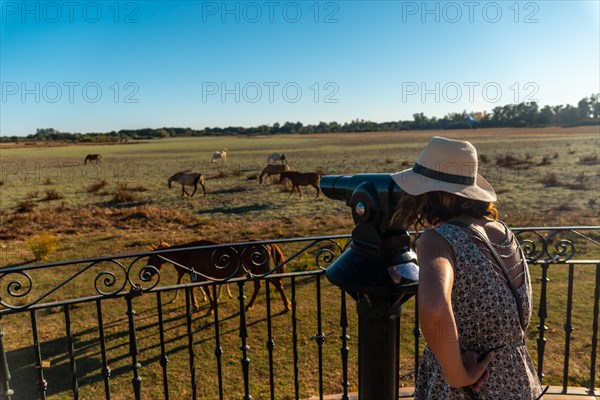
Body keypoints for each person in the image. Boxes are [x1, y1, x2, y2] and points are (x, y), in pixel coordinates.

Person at [390, 136, 544, 399]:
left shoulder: (437, 239)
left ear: (428, 194)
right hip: (517, 378)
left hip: (469, 386)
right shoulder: (503, 232)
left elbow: (434, 307)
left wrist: (458, 375)